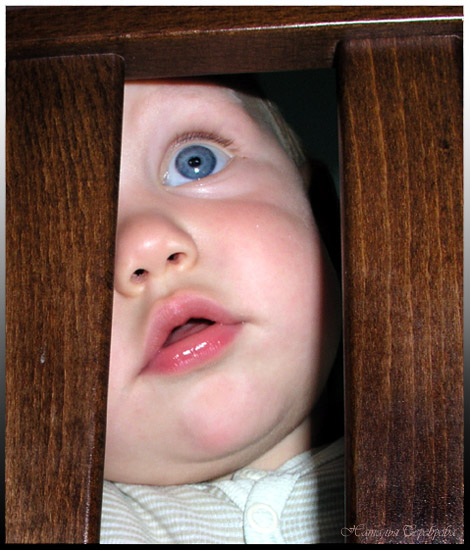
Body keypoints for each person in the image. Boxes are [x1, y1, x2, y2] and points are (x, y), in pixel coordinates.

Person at [100, 75, 344, 544]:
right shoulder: (36, 514)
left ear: (317, 211)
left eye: (196, 162)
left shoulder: (435, 471)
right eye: (62, 229)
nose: (145, 244)